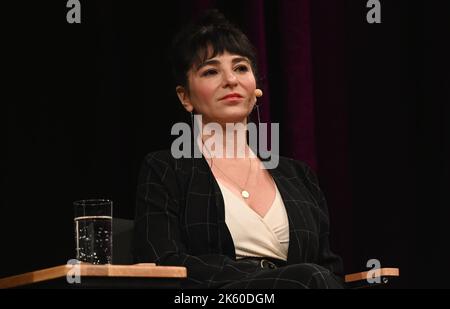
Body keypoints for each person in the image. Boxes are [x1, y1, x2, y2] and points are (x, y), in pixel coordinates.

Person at [133, 10, 344, 289]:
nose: (230, 80)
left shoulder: (299, 175)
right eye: (211, 71)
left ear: (255, 86)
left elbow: (331, 269)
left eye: (241, 68)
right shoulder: (166, 168)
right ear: (185, 98)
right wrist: (268, 279)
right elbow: (163, 261)